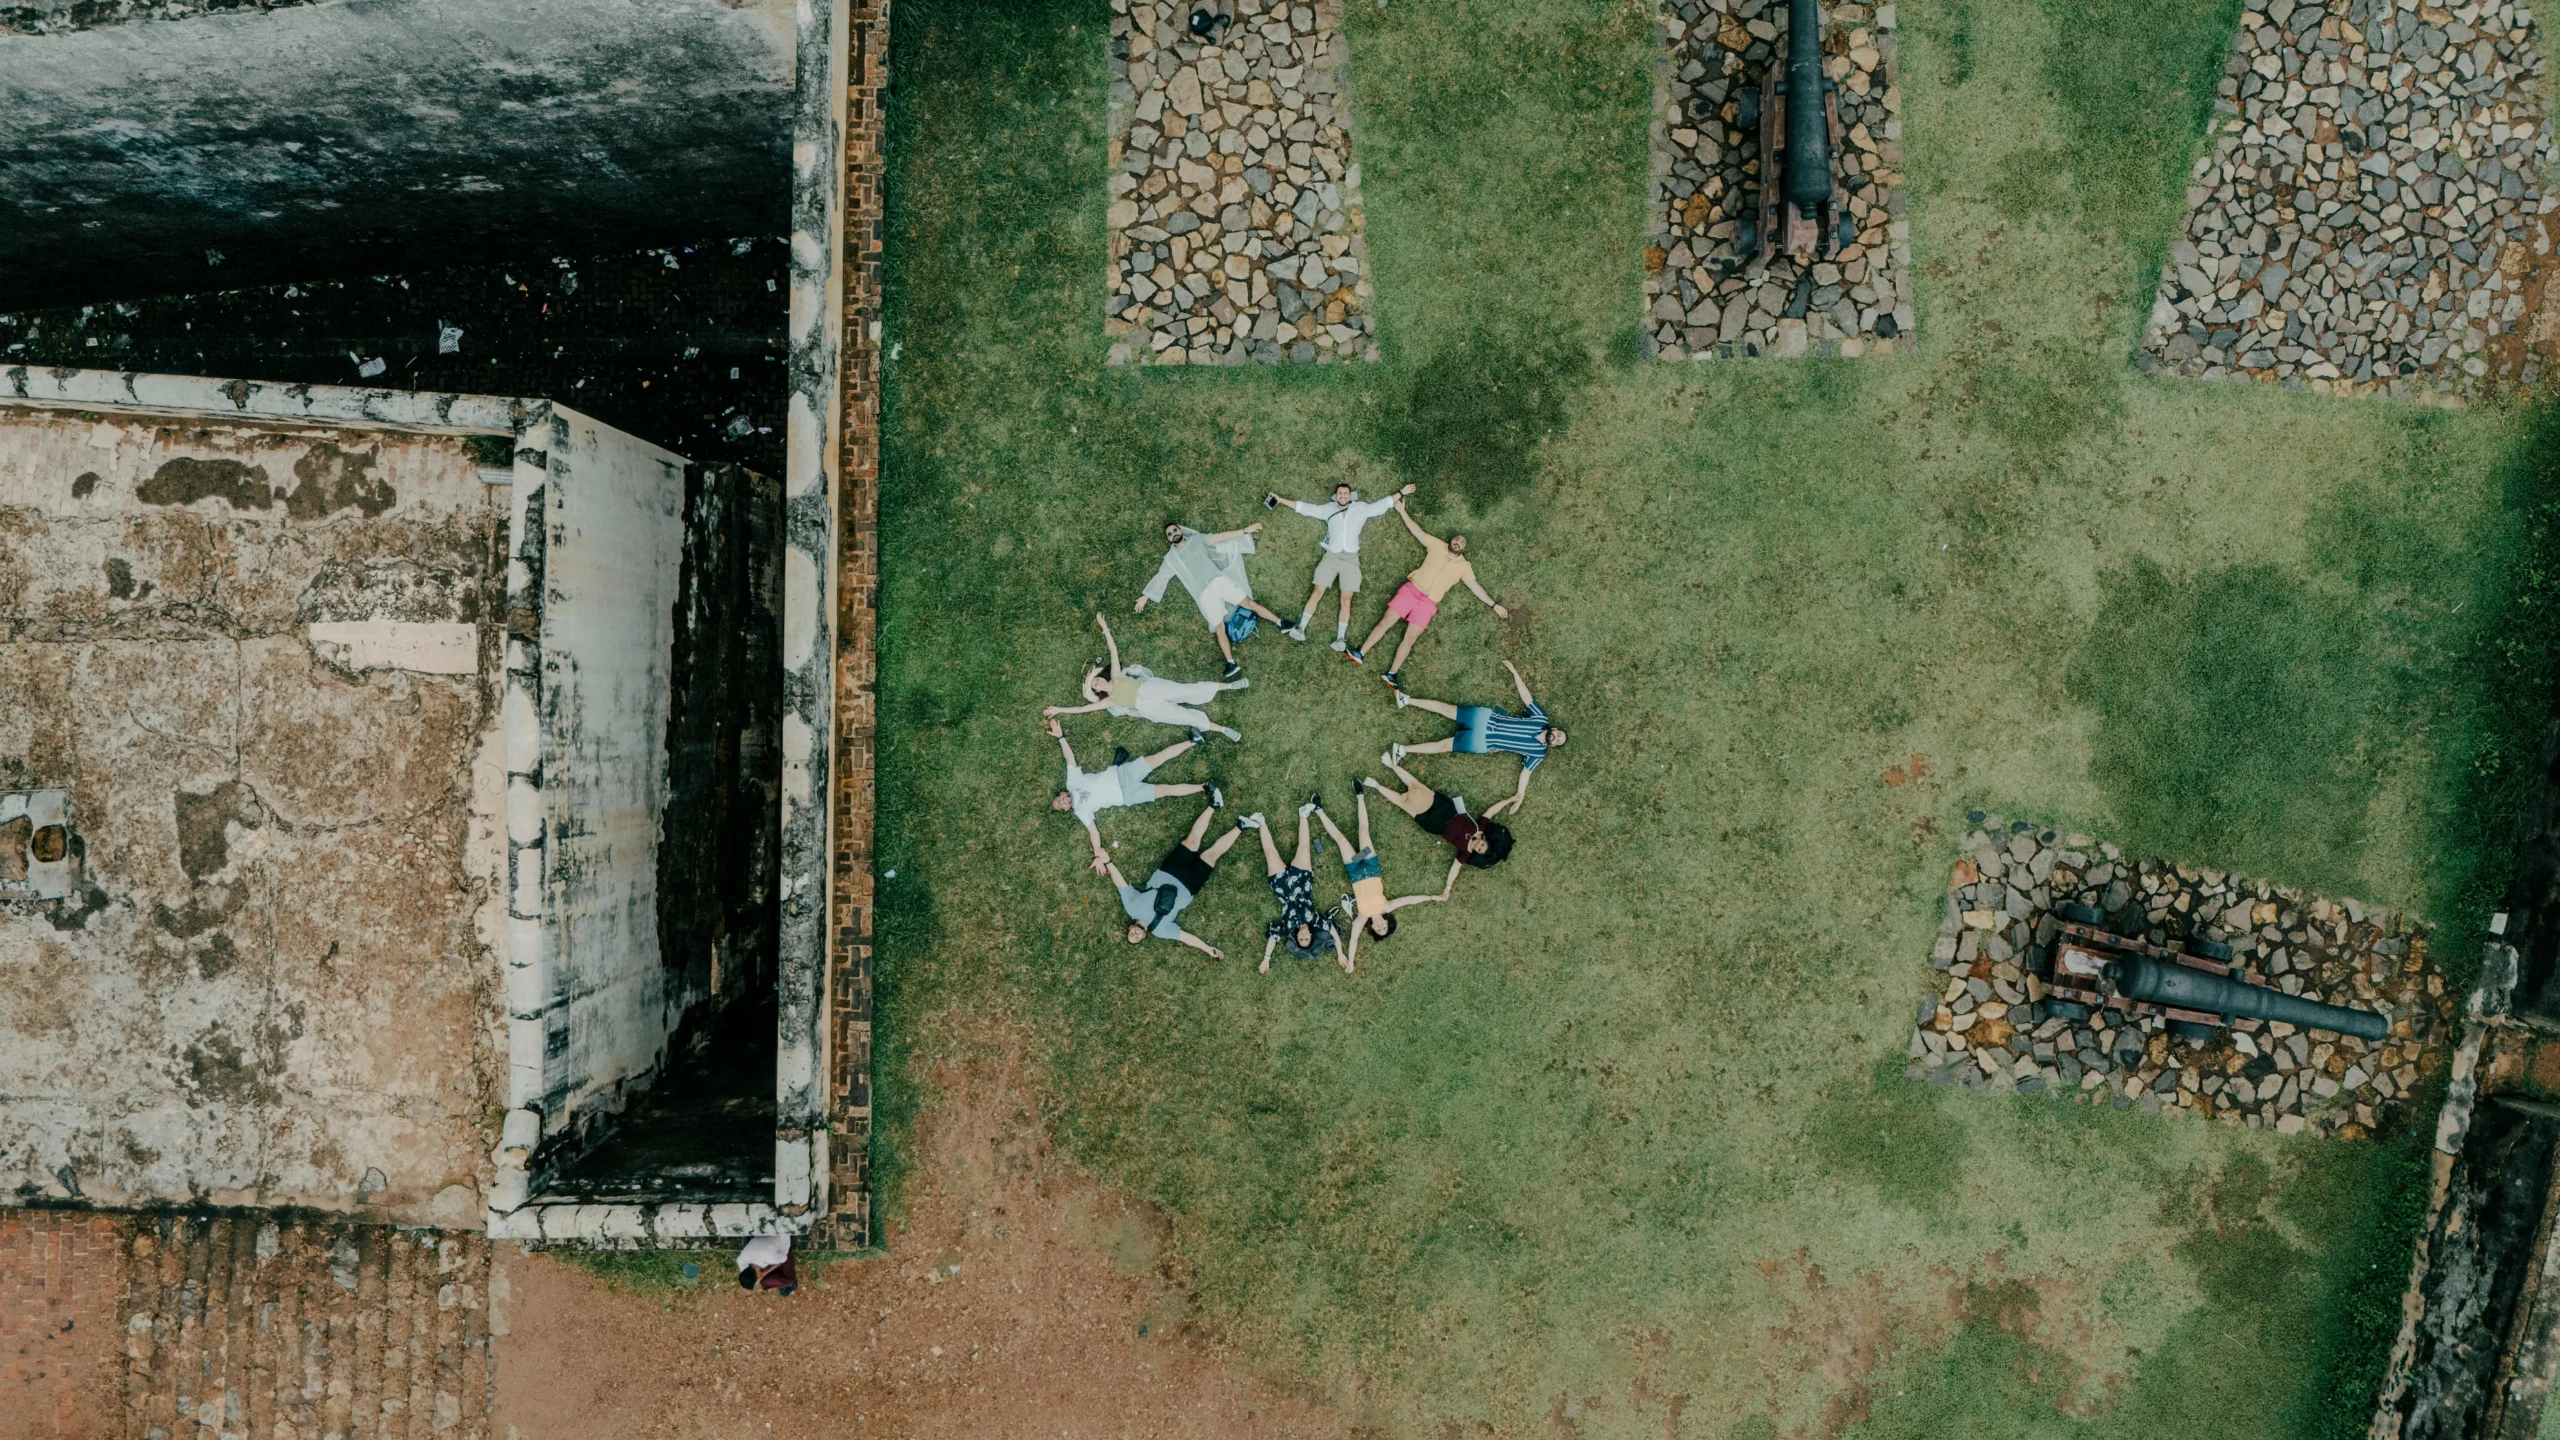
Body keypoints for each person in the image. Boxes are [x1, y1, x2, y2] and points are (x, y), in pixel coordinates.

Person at [1349, 499, 1508, 688]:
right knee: (1386, 622)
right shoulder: (1437, 545)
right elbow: (1417, 532)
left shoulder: (1464, 567)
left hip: (1428, 604)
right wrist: (1402, 512)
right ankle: (1361, 653)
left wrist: (1494, 605)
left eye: (1462, 542)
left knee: (1410, 638)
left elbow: (1475, 587)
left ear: (1464, 549)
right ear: (1451, 541)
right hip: (1411, 591)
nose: (1458, 541)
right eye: (1456, 539)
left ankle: (1392, 674)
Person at [1310, 787, 1457, 973]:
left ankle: (1318, 809)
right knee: (1363, 831)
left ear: (1373, 928)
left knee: (1340, 839)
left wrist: (1352, 961)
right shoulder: (1386, 907)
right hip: (1371, 866)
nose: (1380, 926)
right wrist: (1434, 897)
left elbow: (1354, 938)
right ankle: (1360, 795)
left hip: (1354, 870)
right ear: (1387, 922)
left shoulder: (1363, 916)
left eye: (1378, 930)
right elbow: (1410, 900)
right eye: (1384, 927)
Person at [1388, 660, 1561, 816]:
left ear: (1553, 745)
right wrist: (1515, 672)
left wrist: (1520, 795)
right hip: (1485, 719)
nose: (1557, 738)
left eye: (1558, 741)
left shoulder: (1538, 753)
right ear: (1554, 728)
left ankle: (1402, 750)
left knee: (1444, 747)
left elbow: (1526, 773)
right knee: (1447, 709)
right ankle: (1406, 700)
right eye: (1559, 734)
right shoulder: (1541, 719)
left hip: (1483, 743)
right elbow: (1527, 698)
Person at [1050, 715, 1214, 874]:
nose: (1062, 801)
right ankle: (1204, 787)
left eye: (1058, 799)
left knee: (1158, 758)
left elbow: (1069, 758)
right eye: (1060, 805)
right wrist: (1098, 856)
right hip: (1127, 795)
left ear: (1062, 793)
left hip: (1122, 774)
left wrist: (1060, 737)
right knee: (1165, 790)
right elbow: (1094, 833)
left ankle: (1193, 741)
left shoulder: (1072, 782)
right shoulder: (1080, 811)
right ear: (1066, 809)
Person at [1045, 612, 1247, 741]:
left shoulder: (1116, 675)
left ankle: (1230, 686)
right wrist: (1060, 709)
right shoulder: (1110, 702)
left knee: (1188, 689)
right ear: (1098, 691)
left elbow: (1113, 649)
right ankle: (1223, 730)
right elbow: (1084, 709)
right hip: (1148, 707)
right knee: (1184, 717)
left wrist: (1104, 628)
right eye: (1094, 685)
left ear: (1102, 677)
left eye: (1096, 678)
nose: (1096, 682)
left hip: (1150, 688)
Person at [1268, 479, 1416, 649]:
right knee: (1317, 592)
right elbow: (1306, 508)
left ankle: (1340, 638)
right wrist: (1280, 500)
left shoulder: (1360, 509)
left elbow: (1381, 505)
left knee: (1346, 600)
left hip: (1351, 559)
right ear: (1335, 496)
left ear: (1350, 496)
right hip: (1331, 557)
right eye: (1340, 494)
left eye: (1345, 493)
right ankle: (1301, 627)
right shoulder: (1328, 509)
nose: (1343, 496)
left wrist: (1401, 492)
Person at [1136, 521, 1290, 679]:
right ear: (1168, 540)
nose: (1173, 534)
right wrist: (1146, 596)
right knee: (1219, 627)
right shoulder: (1172, 558)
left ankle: (1281, 623)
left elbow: (1221, 537)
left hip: (1219, 580)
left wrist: (1245, 530)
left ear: (1180, 530)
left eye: (1174, 530)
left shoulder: (1197, 539)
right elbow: (1161, 577)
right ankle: (1231, 663)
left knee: (1250, 604)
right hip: (1205, 594)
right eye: (1169, 534)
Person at [1104, 800, 1242, 958]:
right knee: (1212, 856)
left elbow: (1120, 884)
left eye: (1131, 935)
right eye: (1137, 938)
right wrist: (1207, 948)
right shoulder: (1159, 931)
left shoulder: (1131, 907)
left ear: (1129, 928)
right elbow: (1185, 938)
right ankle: (1240, 826)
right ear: (1143, 937)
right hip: (1189, 887)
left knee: (1192, 841)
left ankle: (1214, 805)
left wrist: (1108, 862)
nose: (1135, 935)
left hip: (1169, 873)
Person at [1361, 755, 1515, 867]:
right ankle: (1392, 765)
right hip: (1444, 808)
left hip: (1432, 823)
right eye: (1483, 845)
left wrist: (1447, 889)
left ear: (1477, 853)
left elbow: (1455, 868)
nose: (1478, 845)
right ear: (1485, 840)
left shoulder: (1465, 852)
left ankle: (1376, 786)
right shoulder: (1479, 828)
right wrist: (1508, 800)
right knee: (1416, 785)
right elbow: (1491, 811)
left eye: (1480, 850)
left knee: (1403, 803)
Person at [1246, 803, 1342, 971]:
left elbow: (1273, 937)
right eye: (1307, 939)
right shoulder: (1317, 921)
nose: (1304, 937)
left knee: (1270, 853)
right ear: (1311, 935)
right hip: (1303, 884)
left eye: (1301, 940)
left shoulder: (1288, 926)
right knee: (1304, 848)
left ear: (1297, 937)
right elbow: (1333, 933)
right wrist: (1340, 953)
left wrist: (1266, 959)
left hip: (1282, 888)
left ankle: (1261, 822)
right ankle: (1303, 815)